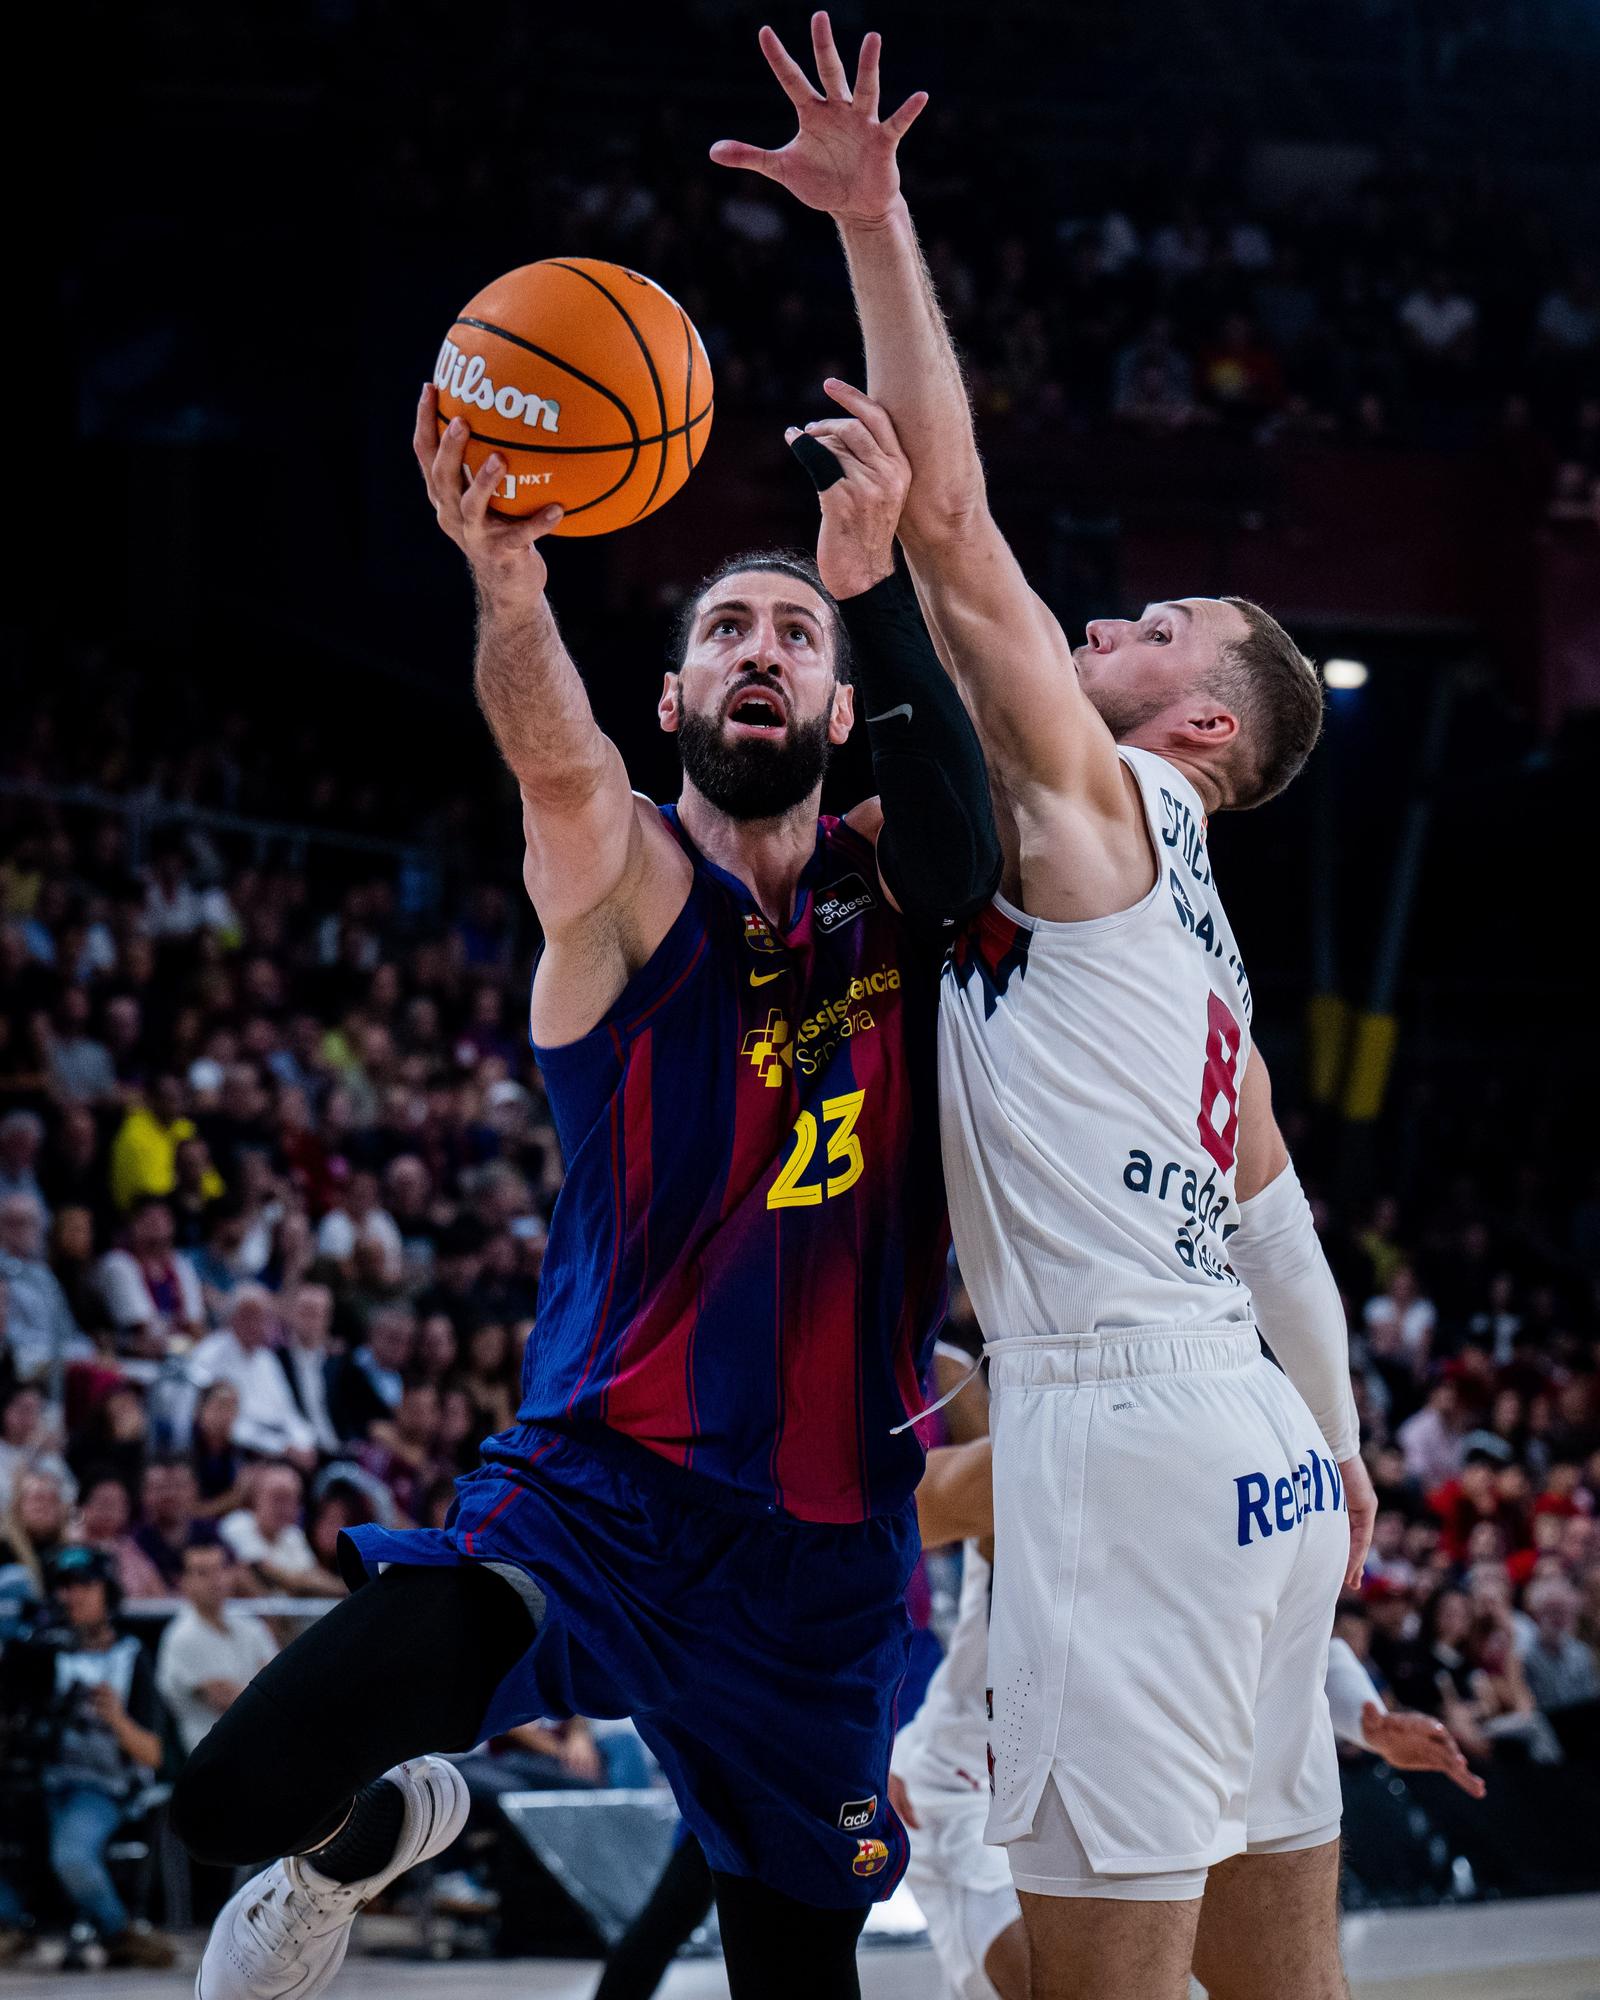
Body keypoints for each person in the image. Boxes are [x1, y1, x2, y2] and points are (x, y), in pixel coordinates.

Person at [169, 369, 1000, 2000]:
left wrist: (878, 581)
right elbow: (554, 757)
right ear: (676, 701)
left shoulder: (907, 887)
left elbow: (974, 813)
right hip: (604, 1499)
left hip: (824, 1570)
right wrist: (506, 583)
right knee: (227, 1799)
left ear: (842, 715)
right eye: (726, 633)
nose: (761, 646)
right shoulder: (630, 885)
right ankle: (367, 1839)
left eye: (794, 635)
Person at [715, 22, 1375, 1996]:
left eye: (1154, 629)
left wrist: (874, 218)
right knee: (1277, 1973)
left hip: (1122, 1436)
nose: (1108, 620)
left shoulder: (1100, 808)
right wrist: (1330, 1458)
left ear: (1194, 726)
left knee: (1069, 1977)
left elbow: (952, 516)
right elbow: (1271, 1211)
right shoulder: (1194, 940)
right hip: (1249, 1446)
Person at [897, 1437, 1483, 2000]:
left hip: (1129, 1769)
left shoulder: (1218, 1451)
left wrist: (1369, 1720)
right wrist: (867, 1751)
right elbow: (867, 1521)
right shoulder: (1039, 1448)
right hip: (967, 1786)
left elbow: (1278, 1627)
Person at [0, 1545, 175, 1967]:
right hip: (36, 1781)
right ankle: (11, 1925)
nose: (72, 1596)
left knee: (72, 1857)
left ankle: (118, 1931)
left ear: (108, 1592)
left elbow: (153, 1755)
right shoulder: (40, 1653)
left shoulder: (132, 1657)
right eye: (64, 1587)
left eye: (84, 1585)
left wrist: (115, 1718)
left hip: (101, 1786)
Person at [155, 1537, 277, 1755]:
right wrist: (266, 1693)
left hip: (261, 1747)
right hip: (212, 1758)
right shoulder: (181, 1637)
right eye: (203, 1572)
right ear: (183, 1582)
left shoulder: (251, 1625)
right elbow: (230, 1704)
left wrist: (266, 1694)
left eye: (221, 1568)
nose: (215, 1579)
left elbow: (279, 1685)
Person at [217, 1461, 345, 1599]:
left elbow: (313, 1574)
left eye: (291, 1500)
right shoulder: (238, 1523)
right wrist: (341, 1588)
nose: (284, 1508)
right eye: (277, 1498)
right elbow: (284, 1578)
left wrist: (342, 1588)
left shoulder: (292, 1534)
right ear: (256, 1497)